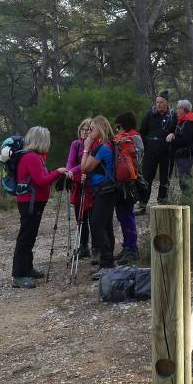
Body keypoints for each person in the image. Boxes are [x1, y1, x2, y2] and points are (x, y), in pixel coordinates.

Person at [10, 126, 68, 288]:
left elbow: (39, 177)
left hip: (33, 201)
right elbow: (42, 180)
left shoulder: (34, 157)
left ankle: (27, 268)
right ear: (42, 140)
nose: (49, 143)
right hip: (30, 202)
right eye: (47, 139)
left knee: (30, 236)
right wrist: (58, 172)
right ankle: (18, 275)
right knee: (26, 237)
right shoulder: (31, 157)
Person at [80, 115, 118, 278]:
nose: (89, 132)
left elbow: (84, 167)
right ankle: (107, 262)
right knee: (106, 225)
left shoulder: (103, 148)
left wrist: (86, 148)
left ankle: (107, 263)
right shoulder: (108, 145)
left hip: (104, 190)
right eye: (88, 129)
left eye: (92, 128)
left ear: (100, 129)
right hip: (107, 190)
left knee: (97, 225)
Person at [137, 91, 176, 214]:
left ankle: (162, 202)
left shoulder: (173, 115)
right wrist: (143, 148)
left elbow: (177, 130)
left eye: (161, 102)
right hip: (150, 152)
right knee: (146, 177)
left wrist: (173, 134)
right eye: (157, 102)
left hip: (167, 152)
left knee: (165, 178)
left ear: (167, 103)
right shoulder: (150, 114)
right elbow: (142, 131)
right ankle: (142, 204)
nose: (158, 104)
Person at [114, 111, 143, 264]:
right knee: (122, 215)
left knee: (127, 215)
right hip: (123, 181)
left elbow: (138, 159)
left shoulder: (133, 137)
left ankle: (132, 248)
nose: (116, 129)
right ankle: (127, 246)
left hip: (129, 182)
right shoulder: (125, 138)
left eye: (117, 126)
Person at [66, 118, 94, 259]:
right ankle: (83, 247)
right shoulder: (75, 144)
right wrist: (68, 171)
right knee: (80, 216)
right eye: (83, 129)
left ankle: (96, 247)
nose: (84, 131)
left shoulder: (94, 145)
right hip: (77, 183)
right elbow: (70, 161)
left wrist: (74, 170)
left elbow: (86, 163)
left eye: (88, 129)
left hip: (90, 184)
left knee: (92, 217)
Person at [169, 99, 193, 194]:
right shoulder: (184, 121)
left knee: (185, 179)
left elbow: (186, 140)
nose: (176, 110)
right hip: (183, 154)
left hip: (186, 154)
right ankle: (188, 200)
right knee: (184, 178)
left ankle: (189, 201)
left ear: (183, 109)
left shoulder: (189, 122)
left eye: (178, 108)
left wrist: (172, 140)